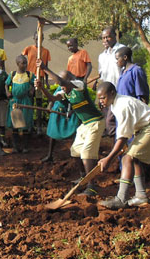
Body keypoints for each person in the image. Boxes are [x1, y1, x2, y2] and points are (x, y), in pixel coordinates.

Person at [36, 60, 105, 195]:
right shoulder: (64, 91)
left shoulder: (79, 85)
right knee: (75, 151)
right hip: (85, 124)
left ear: (70, 80)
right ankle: (82, 176)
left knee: (87, 153)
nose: (60, 86)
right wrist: (41, 87)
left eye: (62, 83)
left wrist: (45, 68)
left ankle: (91, 186)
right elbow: (52, 98)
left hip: (96, 122)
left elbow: (62, 82)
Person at [96, 82, 150, 209]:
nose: (101, 101)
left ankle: (121, 199)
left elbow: (122, 137)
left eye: (103, 97)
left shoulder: (122, 106)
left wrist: (109, 159)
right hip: (144, 128)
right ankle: (141, 196)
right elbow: (124, 133)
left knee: (127, 158)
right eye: (99, 98)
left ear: (112, 93)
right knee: (134, 159)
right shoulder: (115, 104)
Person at [38, 70, 81, 163]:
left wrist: (72, 111)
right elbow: (54, 97)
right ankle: (50, 155)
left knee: (74, 132)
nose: (59, 82)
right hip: (57, 109)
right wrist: (50, 105)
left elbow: (80, 102)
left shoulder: (76, 87)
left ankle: (75, 156)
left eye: (62, 80)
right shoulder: (61, 88)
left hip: (70, 112)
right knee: (52, 132)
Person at [97, 27, 125, 137]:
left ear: (115, 36)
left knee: (113, 122)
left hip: (119, 92)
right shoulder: (102, 56)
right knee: (110, 122)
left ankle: (120, 148)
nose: (106, 40)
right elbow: (102, 76)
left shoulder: (122, 50)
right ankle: (117, 147)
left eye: (108, 37)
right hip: (106, 93)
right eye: (103, 38)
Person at [22, 31, 51, 135]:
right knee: (29, 101)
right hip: (30, 78)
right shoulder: (28, 49)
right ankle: (29, 125)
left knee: (39, 102)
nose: (38, 40)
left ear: (43, 38)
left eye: (40, 38)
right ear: (33, 38)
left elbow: (46, 66)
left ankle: (39, 126)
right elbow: (22, 61)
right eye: (36, 38)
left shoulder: (46, 51)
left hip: (40, 78)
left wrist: (46, 81)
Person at [5, 55, 35, 153]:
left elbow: (34, 84)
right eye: (23, 63)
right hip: (15, 101)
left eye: (26, 62)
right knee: (15, 124)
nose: (25, 65)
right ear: (18, 64)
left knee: (25, 123)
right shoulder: (12, 74)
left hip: (25, 101)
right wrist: (7, 92)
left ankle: (25, 147)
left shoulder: (29, 74)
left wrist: (32, 90)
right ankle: (15, 147)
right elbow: (6, 84)